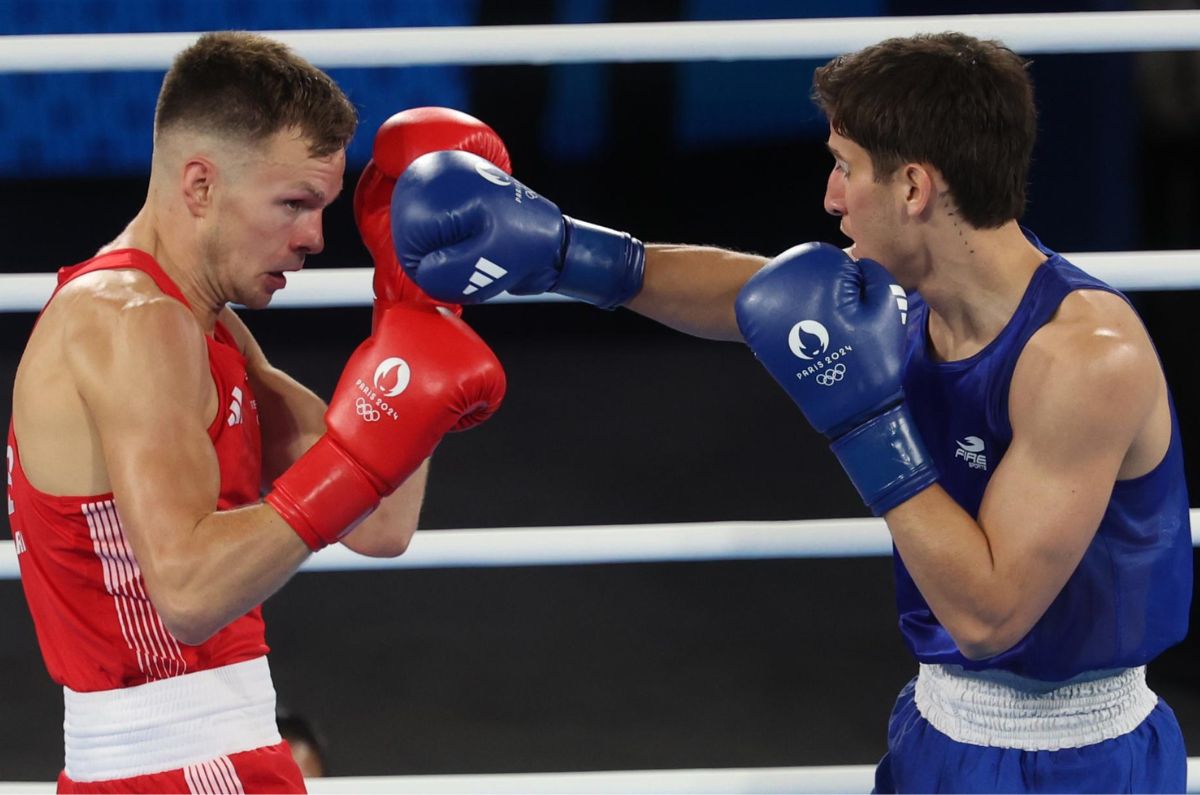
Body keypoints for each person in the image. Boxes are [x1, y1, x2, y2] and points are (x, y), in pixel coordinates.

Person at [385, 33, 1193, 793]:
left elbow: (990, 615)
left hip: (1080, 764)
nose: (831, 195)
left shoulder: (1085, 358)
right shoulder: (911, 294)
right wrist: (570, 253)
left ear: (914, 186)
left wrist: (863, 418)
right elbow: (750, 293)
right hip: (937, 727)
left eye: (846, 167)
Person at [5, 33, 509, 794]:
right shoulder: (129, 321)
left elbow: (379, 523)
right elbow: (189, 592)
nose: (314, 237)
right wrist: (358, 461)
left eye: (323, 206)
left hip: (206, 757)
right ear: (200, 185)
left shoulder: (203, 324)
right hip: (176, 763)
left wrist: (417, 304)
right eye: (294, 204)